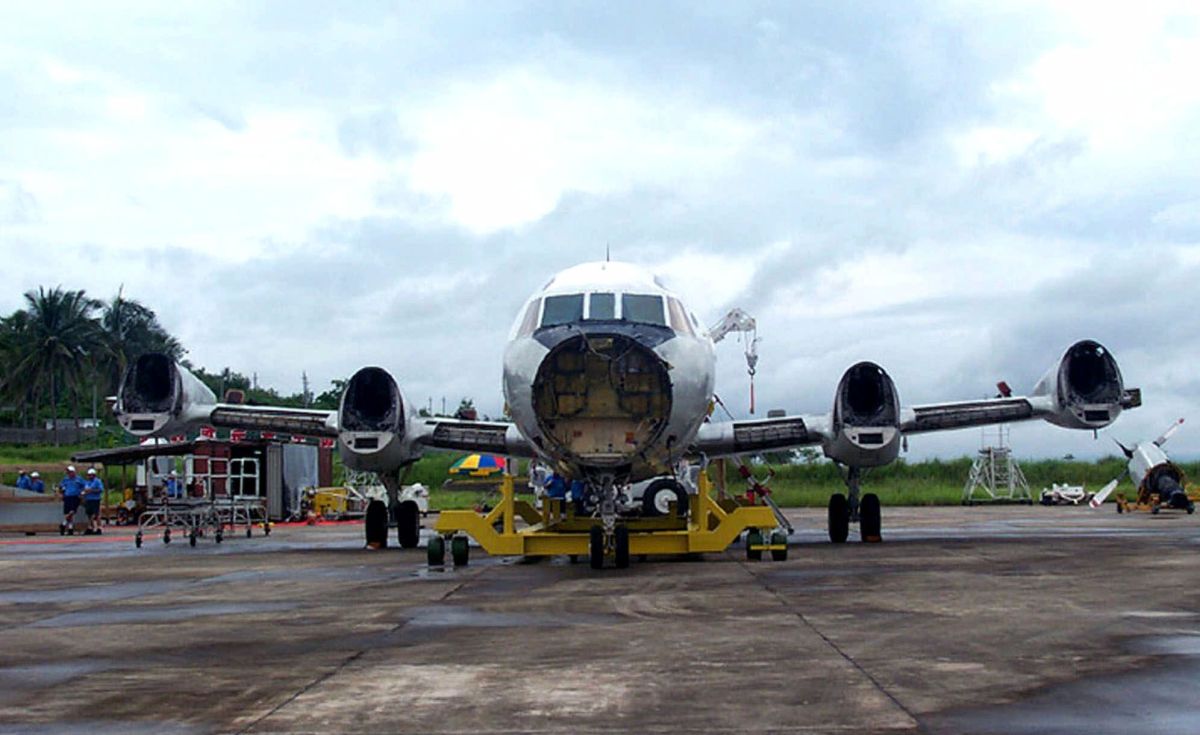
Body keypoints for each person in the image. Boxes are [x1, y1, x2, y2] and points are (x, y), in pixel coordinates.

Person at [58, 465, 85, 535]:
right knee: (68, 512)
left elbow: (84, 486)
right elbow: (61, 487)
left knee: (72, 511)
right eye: (68, 472)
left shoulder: (79, 479)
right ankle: (70, 528)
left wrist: (82, 494)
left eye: (70, 472)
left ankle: (63, 523)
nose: (69, 473)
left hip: (76, 496)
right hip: (67, 496)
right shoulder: (65, 479)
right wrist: (61, 492)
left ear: (74, 472)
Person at [83, 468, 105, 535]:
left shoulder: (97, 481)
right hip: (88, 499)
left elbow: (100, 490)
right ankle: (91, 528)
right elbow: (85, 490)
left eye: (91, 475)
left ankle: (99, 528)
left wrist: (92, 490)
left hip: (95, 499)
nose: (90, 476)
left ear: (94, 475)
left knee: (95, 514)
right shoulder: (87, 482)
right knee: (89, 514)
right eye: (89, 475)